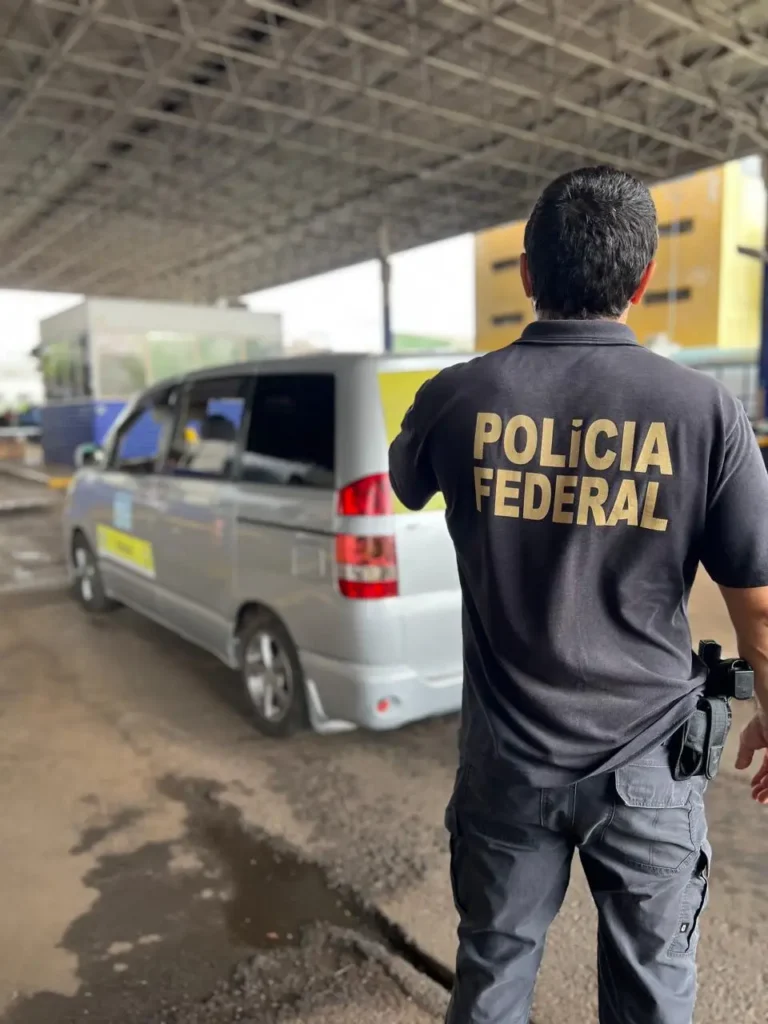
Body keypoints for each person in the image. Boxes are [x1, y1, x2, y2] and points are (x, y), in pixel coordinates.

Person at [388, 165, 768, 1024]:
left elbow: (405, 481)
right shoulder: (707, 413)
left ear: (527, 274)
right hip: (649, 769)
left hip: (506, 766)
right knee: (651, 996)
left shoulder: (457, 397)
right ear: (643, 280)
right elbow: (758, 607)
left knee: (492, 978)